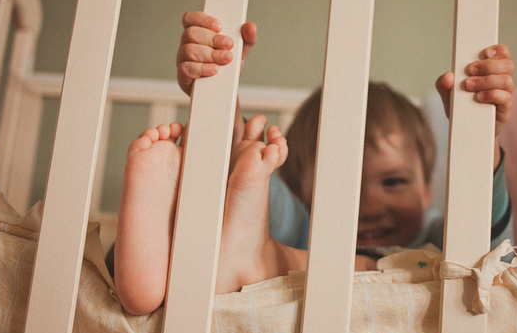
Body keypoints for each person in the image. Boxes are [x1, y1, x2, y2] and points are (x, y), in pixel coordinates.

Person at [176, 11, 514, 254]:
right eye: (342, 183)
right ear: (301, 193)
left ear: (427, 190)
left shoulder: (438, 241)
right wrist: (216, 89)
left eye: (393, 182)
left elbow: (489, 245)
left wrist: (480, 136)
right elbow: (248, 180)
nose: (369, 207)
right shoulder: (300, 234)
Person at [114, 116, 375, 315]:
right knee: (361, 265)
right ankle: (252, 257)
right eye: (347, 186)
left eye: (392, 182)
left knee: (376, 264)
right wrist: (220, 82)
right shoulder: (300, 219)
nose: (371, 203)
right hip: (286, 230)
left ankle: (200, 242)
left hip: (224, 244)